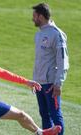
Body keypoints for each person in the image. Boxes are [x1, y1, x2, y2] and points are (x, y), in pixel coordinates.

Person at [32, 3, 69, 135]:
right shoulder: (39, 34)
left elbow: (63, 60)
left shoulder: (56, 34)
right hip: (39, 83)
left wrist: (58, 83)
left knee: (55, 115)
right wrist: (34, 80)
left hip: (51, 84)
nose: (33, 19)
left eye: (34, 16)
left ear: (41, 16)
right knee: (44, 115)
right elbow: (39, 61)